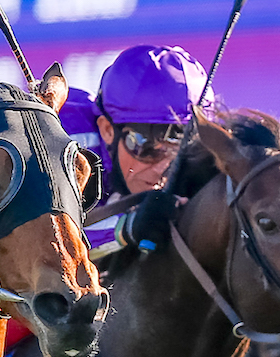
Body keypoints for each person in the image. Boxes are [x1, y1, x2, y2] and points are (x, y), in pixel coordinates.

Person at [59, 43, 216, 254]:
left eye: (180, 150)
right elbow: (33, 240)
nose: (162, 168)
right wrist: (127, 228)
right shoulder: (64, 141)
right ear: (107, 130)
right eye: (147, 146)